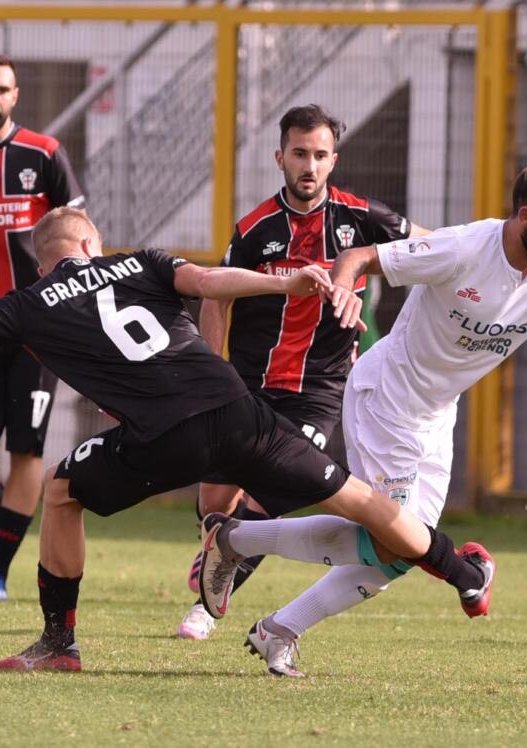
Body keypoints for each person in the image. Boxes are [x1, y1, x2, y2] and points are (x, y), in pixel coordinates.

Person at [198, 154, 527, 678]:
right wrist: (342, 290)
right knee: (396, 540)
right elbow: (359, 256)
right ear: (526, 216)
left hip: (437, 413)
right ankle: (241, 545)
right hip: (388, 400)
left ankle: (272, 615)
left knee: (397, 555)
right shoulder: (463, 247)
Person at [0, 207, 494, 673]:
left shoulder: (26, 305)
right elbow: (209, 282)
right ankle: (464, 574)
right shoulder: (140, 262)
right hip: (240, 414)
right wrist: (286, 283)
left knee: (60, 490)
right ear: (91, 244)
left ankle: (59, 643)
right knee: (362, 501)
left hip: (163, 439)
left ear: (42, 268)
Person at [177, 104, 429, 641]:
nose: (309, 166)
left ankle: (205, 607)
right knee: (215, 500)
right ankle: (217, 545)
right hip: (248, 385)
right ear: (280, 158)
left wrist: (477, 256)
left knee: (271, 490)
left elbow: (434, 248)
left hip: (318, 391)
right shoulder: (255, 229)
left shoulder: (362, 218)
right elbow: (216, 296)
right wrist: (210, 369)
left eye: (319, 155)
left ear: (334, 160)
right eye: (299, 154)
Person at [0, 53, 86, 600]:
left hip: (34, 330)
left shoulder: (44, 153)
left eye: (2, 88)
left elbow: (77, 232)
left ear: (15, 95)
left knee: (27, 451)